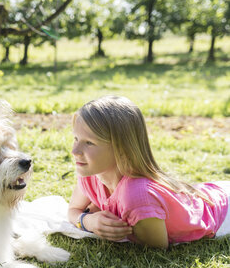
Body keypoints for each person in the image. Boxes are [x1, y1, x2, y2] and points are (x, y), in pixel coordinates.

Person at [67, 96, 230, 248]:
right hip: (204, 194)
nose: (75, 151)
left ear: (122, 148)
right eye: (76, 139)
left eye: (89, 143)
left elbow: (156, 248)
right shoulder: (90, 174)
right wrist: (87, 221)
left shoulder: (136, 196)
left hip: (222, 214)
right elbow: (73, 210)